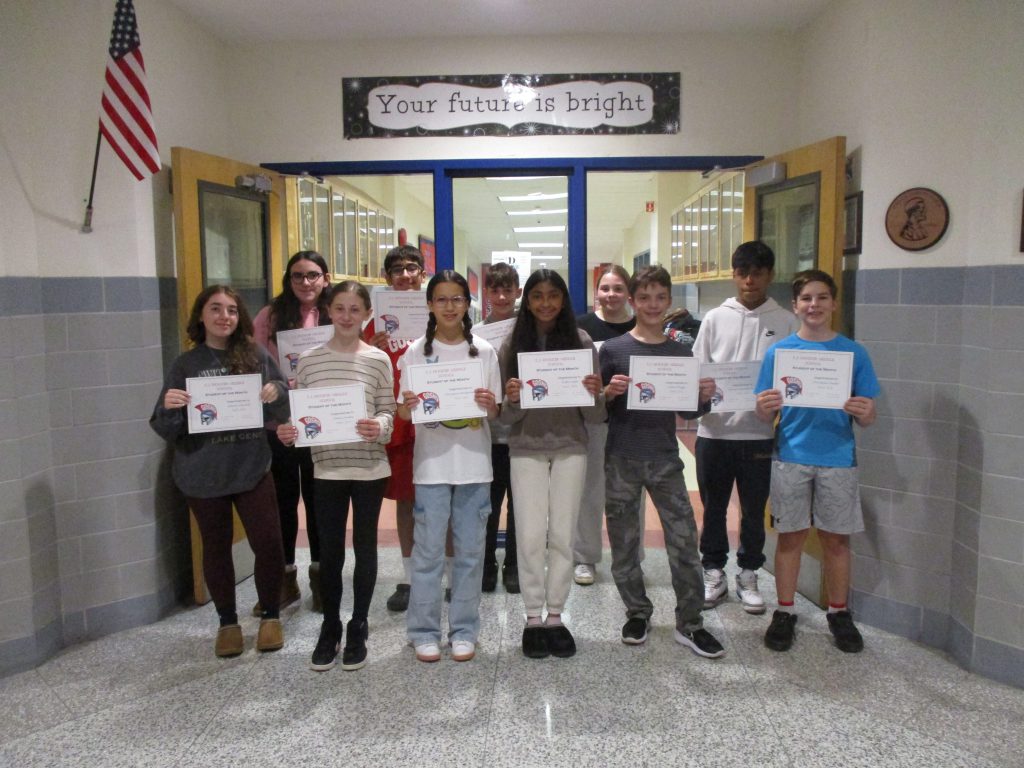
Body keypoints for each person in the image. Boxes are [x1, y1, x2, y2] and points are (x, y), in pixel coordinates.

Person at [150, 286, 288, 658]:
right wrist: (170, 405)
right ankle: (227, 622)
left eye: (231, 310)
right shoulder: (186, 365)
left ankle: (270, 616)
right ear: (200, 316)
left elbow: (285, 404)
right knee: (215, 547)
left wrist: (276, 391)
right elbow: (164, 427)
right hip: (202, 472)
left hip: (251, 466)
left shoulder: (255, 355)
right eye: (215, 309)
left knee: (269, 543)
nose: (224, 316)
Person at [600, 266, 726, 659]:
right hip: (621, 457)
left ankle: (690, 623)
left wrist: (705, 397)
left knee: (684, 542)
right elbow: (596, 407)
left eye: (660, 297)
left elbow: (689, 410)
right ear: (632, 301)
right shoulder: (614, 350)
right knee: (624, 544)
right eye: (644, 297)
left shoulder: (678, 351)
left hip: (665, 459)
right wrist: (607, 392)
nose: (652, 305)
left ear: (668, 302)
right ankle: (637, 611)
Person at [755, 269, 879, 654]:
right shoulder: (780, 353)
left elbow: (869, 414)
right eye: (806, 298)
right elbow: (763, 412)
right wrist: (764, 407)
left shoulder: (853, 353)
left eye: (822, 297)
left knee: (836, 541)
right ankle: (785, 611)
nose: (814, 305)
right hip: (791, 454)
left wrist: (864, 411)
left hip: (838, 458)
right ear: (795, 306)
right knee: (790, 536)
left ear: (833, 303)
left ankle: (839, 613)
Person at [276, 281, 396, 672]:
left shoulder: (377, 359)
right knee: (329, 551)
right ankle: (330, 625)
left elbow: (388, 412)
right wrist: (290, 430)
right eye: (340, 308)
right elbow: (302, 414)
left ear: (366, 314)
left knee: (365, 548)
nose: (347, 316)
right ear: (329, 310)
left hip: (368, 468)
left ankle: (358, 623)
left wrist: (378, 426)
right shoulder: (309, 360)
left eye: (355, 309)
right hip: (325, 468)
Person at [499, 270, 605, 659]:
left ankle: (556, 615)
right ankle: (531, 616)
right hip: (526, 447)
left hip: (570, 448)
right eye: (537, 296)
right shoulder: (512, 344)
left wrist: (595, 393)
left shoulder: (580, 342)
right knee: (528, 536)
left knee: (562, 534)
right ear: (527, 301)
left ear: (564, 300)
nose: (545, 303)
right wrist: (511, 398)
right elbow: (504, 419)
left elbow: (594, 416)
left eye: (553, 296)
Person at [397, 271, 501, 663]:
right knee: (428, 555)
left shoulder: (485, 352)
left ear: (467, 304)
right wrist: (406, 407)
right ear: (429, 305)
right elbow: (404, 413)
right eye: (441, 299)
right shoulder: (414, 352)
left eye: (457, 299)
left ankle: (464, 630)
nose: (450, 306)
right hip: (432, 468)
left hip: (474, 466)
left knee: (471, 553)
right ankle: (422, 631)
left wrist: (490, 404)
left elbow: (495, 412)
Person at [692, 241, 798, 614]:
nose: (750, 280)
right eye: (743, 272)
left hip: (759, 433)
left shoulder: (785, 321)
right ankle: (713, 571)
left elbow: (793, 378)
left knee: (754, 510)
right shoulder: (715, 318)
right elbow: (698, 368)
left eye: (758, 272)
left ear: (770, 275)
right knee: (714, 508)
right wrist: (702, 390)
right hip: (715, 432)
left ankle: (749, 572)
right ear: (734, 275)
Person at [252, 250, 332, 614]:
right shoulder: (270, 316)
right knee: (282, 502)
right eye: (298, 275)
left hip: (322, 421)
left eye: (313, 275)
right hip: (280, 423)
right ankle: (285, 579)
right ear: (289, 279)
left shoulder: (334, 313)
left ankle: (322, 579)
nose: (306, 282)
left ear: (325, 279)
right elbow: (253, 361)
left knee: (320, 502)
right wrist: (275, 385)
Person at [363, 244, 436, 612]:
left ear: (422, 273)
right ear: (386, 278)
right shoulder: (375, 325)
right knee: (407, 501)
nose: (405, 275)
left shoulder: (438, 312)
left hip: (438, 418)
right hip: (400, 422)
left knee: (442, 500)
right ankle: (408, 577)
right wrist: (370, 348)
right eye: (397, 269)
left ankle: (446, 574)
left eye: (412, 268)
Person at [572, 264, 636, 587]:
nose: (611, 295)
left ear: (628, 293)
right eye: (605, 289)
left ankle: (630, 557)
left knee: (629, 492)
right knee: (590, 490)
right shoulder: (581, 328)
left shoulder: (640, 327)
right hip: (594, 422)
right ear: (596, 292)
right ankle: (585, 557)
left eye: (618, 289)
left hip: (633, 423)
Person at [480, 262, 521, 594]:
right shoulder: (475, 334)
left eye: (508, 289)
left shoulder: (531, 330)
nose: (502, 295)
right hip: (489, 434)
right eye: (495, 289)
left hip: (523, 432)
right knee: (489, 505)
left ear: (518, 292)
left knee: (521, 504)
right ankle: (487, 563)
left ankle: (514, 564)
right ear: (487, 293)